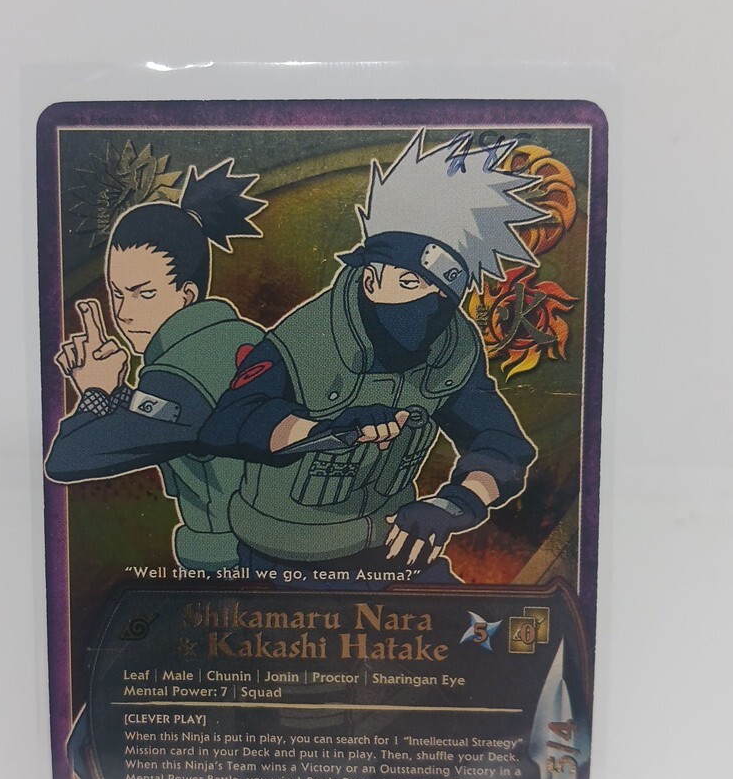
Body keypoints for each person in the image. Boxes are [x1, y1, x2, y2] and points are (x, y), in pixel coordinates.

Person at [199, 131, 540, 584]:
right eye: (396, 280)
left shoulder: (453, 349)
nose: (422, 302)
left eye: (427, 287)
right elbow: (228, 424)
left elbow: (501, 444)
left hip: (391, 548)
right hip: (283, 560)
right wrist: (322, 430)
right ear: (367, 276)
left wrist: (453, 504)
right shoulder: (307, 336)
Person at [45, 160, 265, 572]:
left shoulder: (186, 368)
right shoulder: (238, 337)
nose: (124, 314)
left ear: (186, 295)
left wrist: (94, 392)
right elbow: (167, 417)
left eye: (143, 294)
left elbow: (64, 460)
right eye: (116, 293)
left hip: (238, 565)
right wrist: (115, 392)